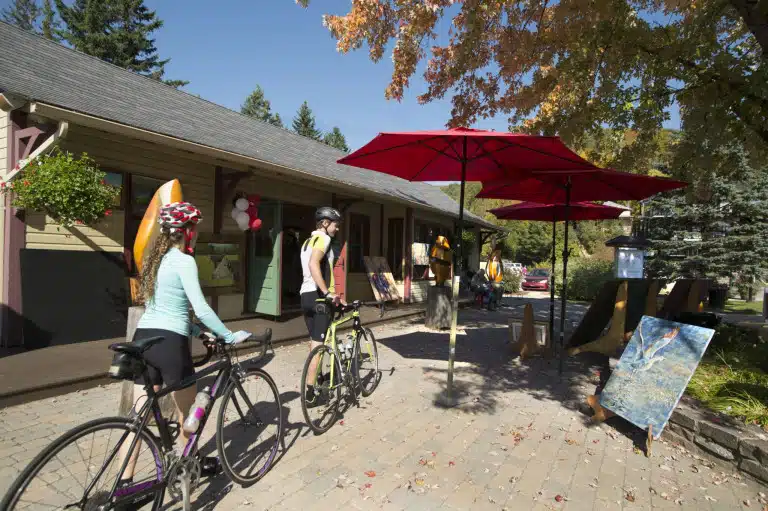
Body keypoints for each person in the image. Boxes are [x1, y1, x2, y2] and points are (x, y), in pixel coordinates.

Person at [119, 202, 251, 484]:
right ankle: (187, 465)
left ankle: (124, 482)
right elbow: (200, 308)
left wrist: (197, 332)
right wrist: (228, 335)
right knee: (189, 413)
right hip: (169, 343)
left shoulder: (156, 260)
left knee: (138, 417)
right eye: (195, 229)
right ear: (187, 232)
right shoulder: (184, 261)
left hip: (144, 337)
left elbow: (164, 309)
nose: (197, 234)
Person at [300, 206, 343, 406]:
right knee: (318, 346)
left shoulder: (307, 241)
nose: (337, 229)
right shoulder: (324, 239)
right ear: (325, 223)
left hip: (305, 297)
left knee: (314, 343)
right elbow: (313, 264)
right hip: (318, 298)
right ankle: (310, 393)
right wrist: (327, 293)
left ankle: (317, 379)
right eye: (335, 225)